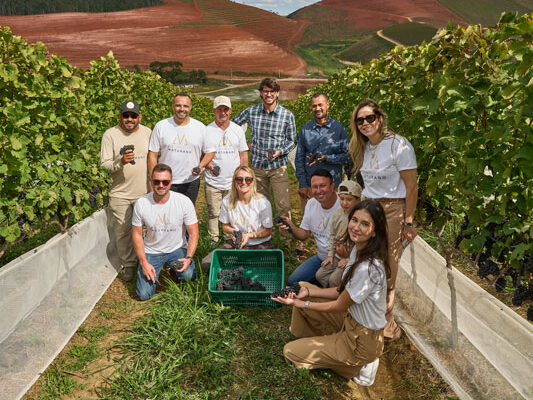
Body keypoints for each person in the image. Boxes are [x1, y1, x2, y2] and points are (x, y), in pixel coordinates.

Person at [272, 200, 390, 386]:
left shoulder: (366, 268)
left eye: (365, 224)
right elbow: (339, 291)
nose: (357, 227)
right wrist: (306, 292)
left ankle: (360, 364)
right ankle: (317, 342)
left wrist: (301, 303)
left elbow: (338, 305)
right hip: (350, 321)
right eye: (355, 220)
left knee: (290, 352)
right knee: (303, 285)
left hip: (361, 340)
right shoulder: (357, 251)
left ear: (375, 231)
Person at [349, 99, 418, 341]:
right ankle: (363, 311)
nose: (365, 123)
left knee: (388, 265)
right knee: (365, 256)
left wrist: (408, 222)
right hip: (370, 208)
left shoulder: (399, 145)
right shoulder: (364, 146)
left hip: (392, 211)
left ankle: (386, 322)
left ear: (380, 118)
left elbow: (411, 187)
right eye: (360, 120)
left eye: (370, 118)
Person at [100, 100, 151, 281]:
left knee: (145, 229)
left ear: (139, 117)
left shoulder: (148, 133)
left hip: (144, 192)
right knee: (122, 230)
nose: (129, 119)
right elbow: (105, 164)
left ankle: (145, 260)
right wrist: (120, 162)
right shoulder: (110, 135)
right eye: (126, 115)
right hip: (120, 193)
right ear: (120, 116)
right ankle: (129, 264)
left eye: (133, 116)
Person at [232, 78, 296, 220]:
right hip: (257, 168)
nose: (269, 95)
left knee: (283, 206)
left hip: (278, 168)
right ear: (261, 93)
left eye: (272, 91)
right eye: (265, 91)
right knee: (260, 205)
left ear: (277, 93)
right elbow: (232, 126)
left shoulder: (287, 115)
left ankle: (284, 240)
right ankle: (264, 237)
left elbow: (292, 141)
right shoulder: (251, 111)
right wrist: (245, 144)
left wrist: (280, 151)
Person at [133, 163, 198, 300]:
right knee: (144, 295)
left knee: (189, 276)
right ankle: (150, 269)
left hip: (176, 249)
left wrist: (188, 258)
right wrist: (144, 262)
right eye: (156, 181)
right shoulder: (142, 203)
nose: (161, 185)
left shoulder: (183, 202)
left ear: (171, 182)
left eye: (165, 181)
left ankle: (173, 269)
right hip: (152, 251)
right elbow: (137, 234)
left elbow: (193, 233)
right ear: (151, 182)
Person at [201, 166, 274, 274]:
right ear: (234, 182)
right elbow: (225, 226)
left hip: (260, 243)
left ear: (253, 182)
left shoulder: (262, 202)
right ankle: (236, 269)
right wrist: (235, 233)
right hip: (237, 243)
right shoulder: (227, 201)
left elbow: (268, 230)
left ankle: (237, 268)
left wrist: (249, 236)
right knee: (206, 263)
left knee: (254, 270)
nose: (244, 182)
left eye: (248, 179)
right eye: (239, 179)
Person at [148, 92, 216, 204]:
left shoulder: (200, 127)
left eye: (185, 106)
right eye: (178, 105)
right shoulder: (161, 126)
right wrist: (153, 180)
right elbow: (152, 155)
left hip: (190, 182)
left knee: (186, 217)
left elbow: (210, 152)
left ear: (190, 108)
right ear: (173, 106)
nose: (182, 109)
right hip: (165, 182)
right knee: (163, 214)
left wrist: (200, 166)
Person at [277, 169, 340, 286]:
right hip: (322, 258)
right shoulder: (311, 204)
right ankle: (322, 282)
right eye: (314, 187)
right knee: (293, 281)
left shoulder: (343, 205)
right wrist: (291, 226)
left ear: (332, 186)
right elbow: (304, 234)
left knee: (335, 282)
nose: (318, 191)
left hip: (340, 260)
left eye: (323, 186)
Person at [204, 96, 249, 243]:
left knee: (232, 212)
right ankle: (213, 241)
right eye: (219, 110)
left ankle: (231, 240)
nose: (222, 113)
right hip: (213, 182)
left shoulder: (237, 130)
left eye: (225, 109)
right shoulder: (206, 130)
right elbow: (201, 154)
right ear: (214, 111)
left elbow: (243, 153)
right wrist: (210, 166)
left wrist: (244, 176)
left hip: (233, 182)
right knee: (213, 212)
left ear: (230, 111)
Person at [295, 93, 350, 210]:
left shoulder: (339, 129)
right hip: (312, 187)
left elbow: (347, 156)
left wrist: (327, 158)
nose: (317, 108)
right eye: (314, 106)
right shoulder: (306, 129)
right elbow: (299, 158)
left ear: (328, 105)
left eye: (320, 105)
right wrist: (303, 184)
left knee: (335, 220)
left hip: (333, 186)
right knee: (310, 220)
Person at [316, 180, 361, 288]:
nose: (344, 203)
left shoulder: (360, 217)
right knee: (320, 275)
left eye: (349, 199)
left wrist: (349, 260)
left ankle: (339, 298)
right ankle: (329, 294)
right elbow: (332, 235)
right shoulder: (337, 214)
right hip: (337, 255)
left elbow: (362, 243)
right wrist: (330, 255)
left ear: (358, 200)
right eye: (342, 199)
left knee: (334, 280)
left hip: (354, 257)